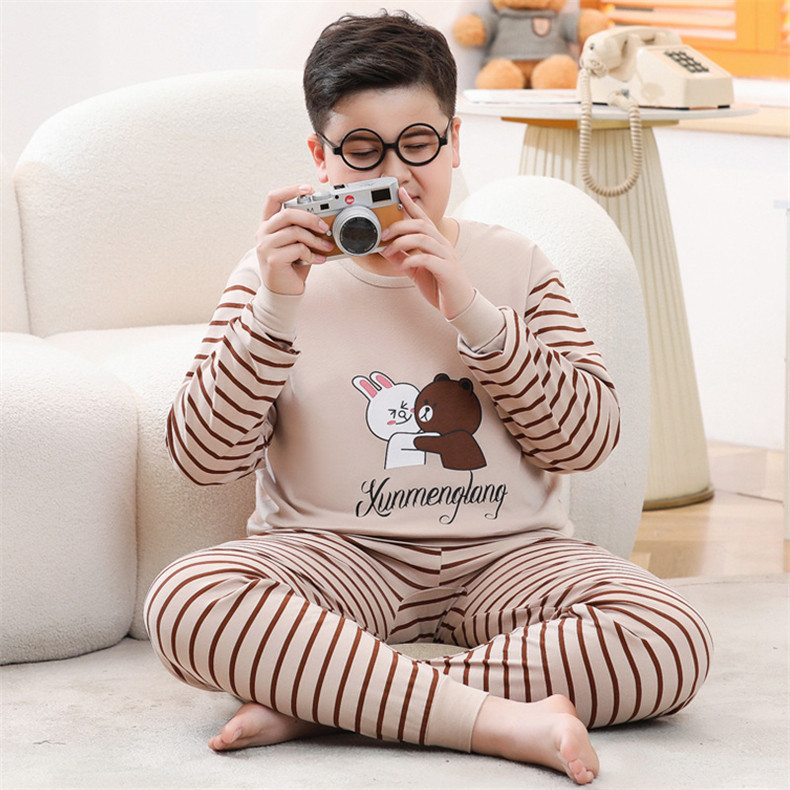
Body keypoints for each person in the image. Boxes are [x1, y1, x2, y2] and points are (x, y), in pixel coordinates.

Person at [144, 11, 712, 785]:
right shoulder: (272, 273)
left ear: (454, 142)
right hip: (336, 556)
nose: (398, 175)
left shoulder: (515, 262)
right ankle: (495, 721)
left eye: (418, 143)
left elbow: (588, 441)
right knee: (188, 600)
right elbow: (202, 459)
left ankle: (333, 697)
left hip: (510, 556)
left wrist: (472, 310)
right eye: (362, 151)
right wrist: (275, 307)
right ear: (319, 157)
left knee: (668, 633)